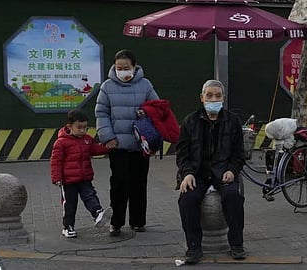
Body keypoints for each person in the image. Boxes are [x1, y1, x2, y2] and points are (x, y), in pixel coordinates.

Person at [176, 80, 246, 264]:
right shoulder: (189, 121)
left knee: (233, 197)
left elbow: (239, 154)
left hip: (223, 173)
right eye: (209, 95)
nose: (213, 99)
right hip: (197, 174)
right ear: (202, 97)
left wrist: (232, 170)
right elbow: (182, 155)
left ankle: (237, 244)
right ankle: (194, 247)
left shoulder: (233, 121)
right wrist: (187, 173)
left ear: (223, 97)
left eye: (217, 95)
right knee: (187, 199)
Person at [95, 49, 159, 236]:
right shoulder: (107, 87)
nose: (123, 72)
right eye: (119, 68)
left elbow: (157, 107)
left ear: (134, 67)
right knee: (119, 183)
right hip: (118, 146)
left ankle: (138, 221)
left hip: (141, 145)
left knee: (139, 184)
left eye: (126, 68)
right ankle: (116, 222)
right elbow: (101, 113)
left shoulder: (146, 85)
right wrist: (107, 137)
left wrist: (146, 112)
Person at [50, 109, 112, 238]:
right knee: (70, 205)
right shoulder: (61, 143)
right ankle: (68, 227)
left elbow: (95, 149)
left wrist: (108, 147)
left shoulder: (87, 140)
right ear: (69, 126)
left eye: (85, 128)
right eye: (79, 128)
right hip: (68, 181)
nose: (83, 131)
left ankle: (98, 213)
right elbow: (56, 161)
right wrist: (56, 178)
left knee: (90, 196)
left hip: (84, 178)